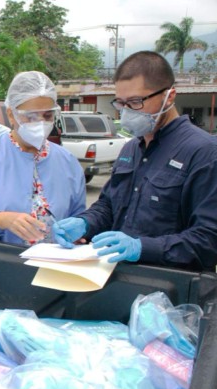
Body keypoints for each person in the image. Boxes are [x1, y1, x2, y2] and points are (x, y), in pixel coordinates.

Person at [52, 51, 217, 271]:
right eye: (121, 103)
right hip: (117, 277)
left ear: (169, 96)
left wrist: (143, 247)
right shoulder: (131, 148)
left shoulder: (204, 152)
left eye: (136, 102)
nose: (127, 111)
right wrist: (85, 223)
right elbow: (109, 206)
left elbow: (208, 239)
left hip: (172, 287)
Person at [0, 71, 86, 245]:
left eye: (47, 116)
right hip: (2, 264)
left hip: (53, 267)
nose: (40, 123)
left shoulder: (67, 161)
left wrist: (78, 232)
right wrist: (1, 219)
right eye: (31, 116)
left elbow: (79, 217)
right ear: (11, 114)